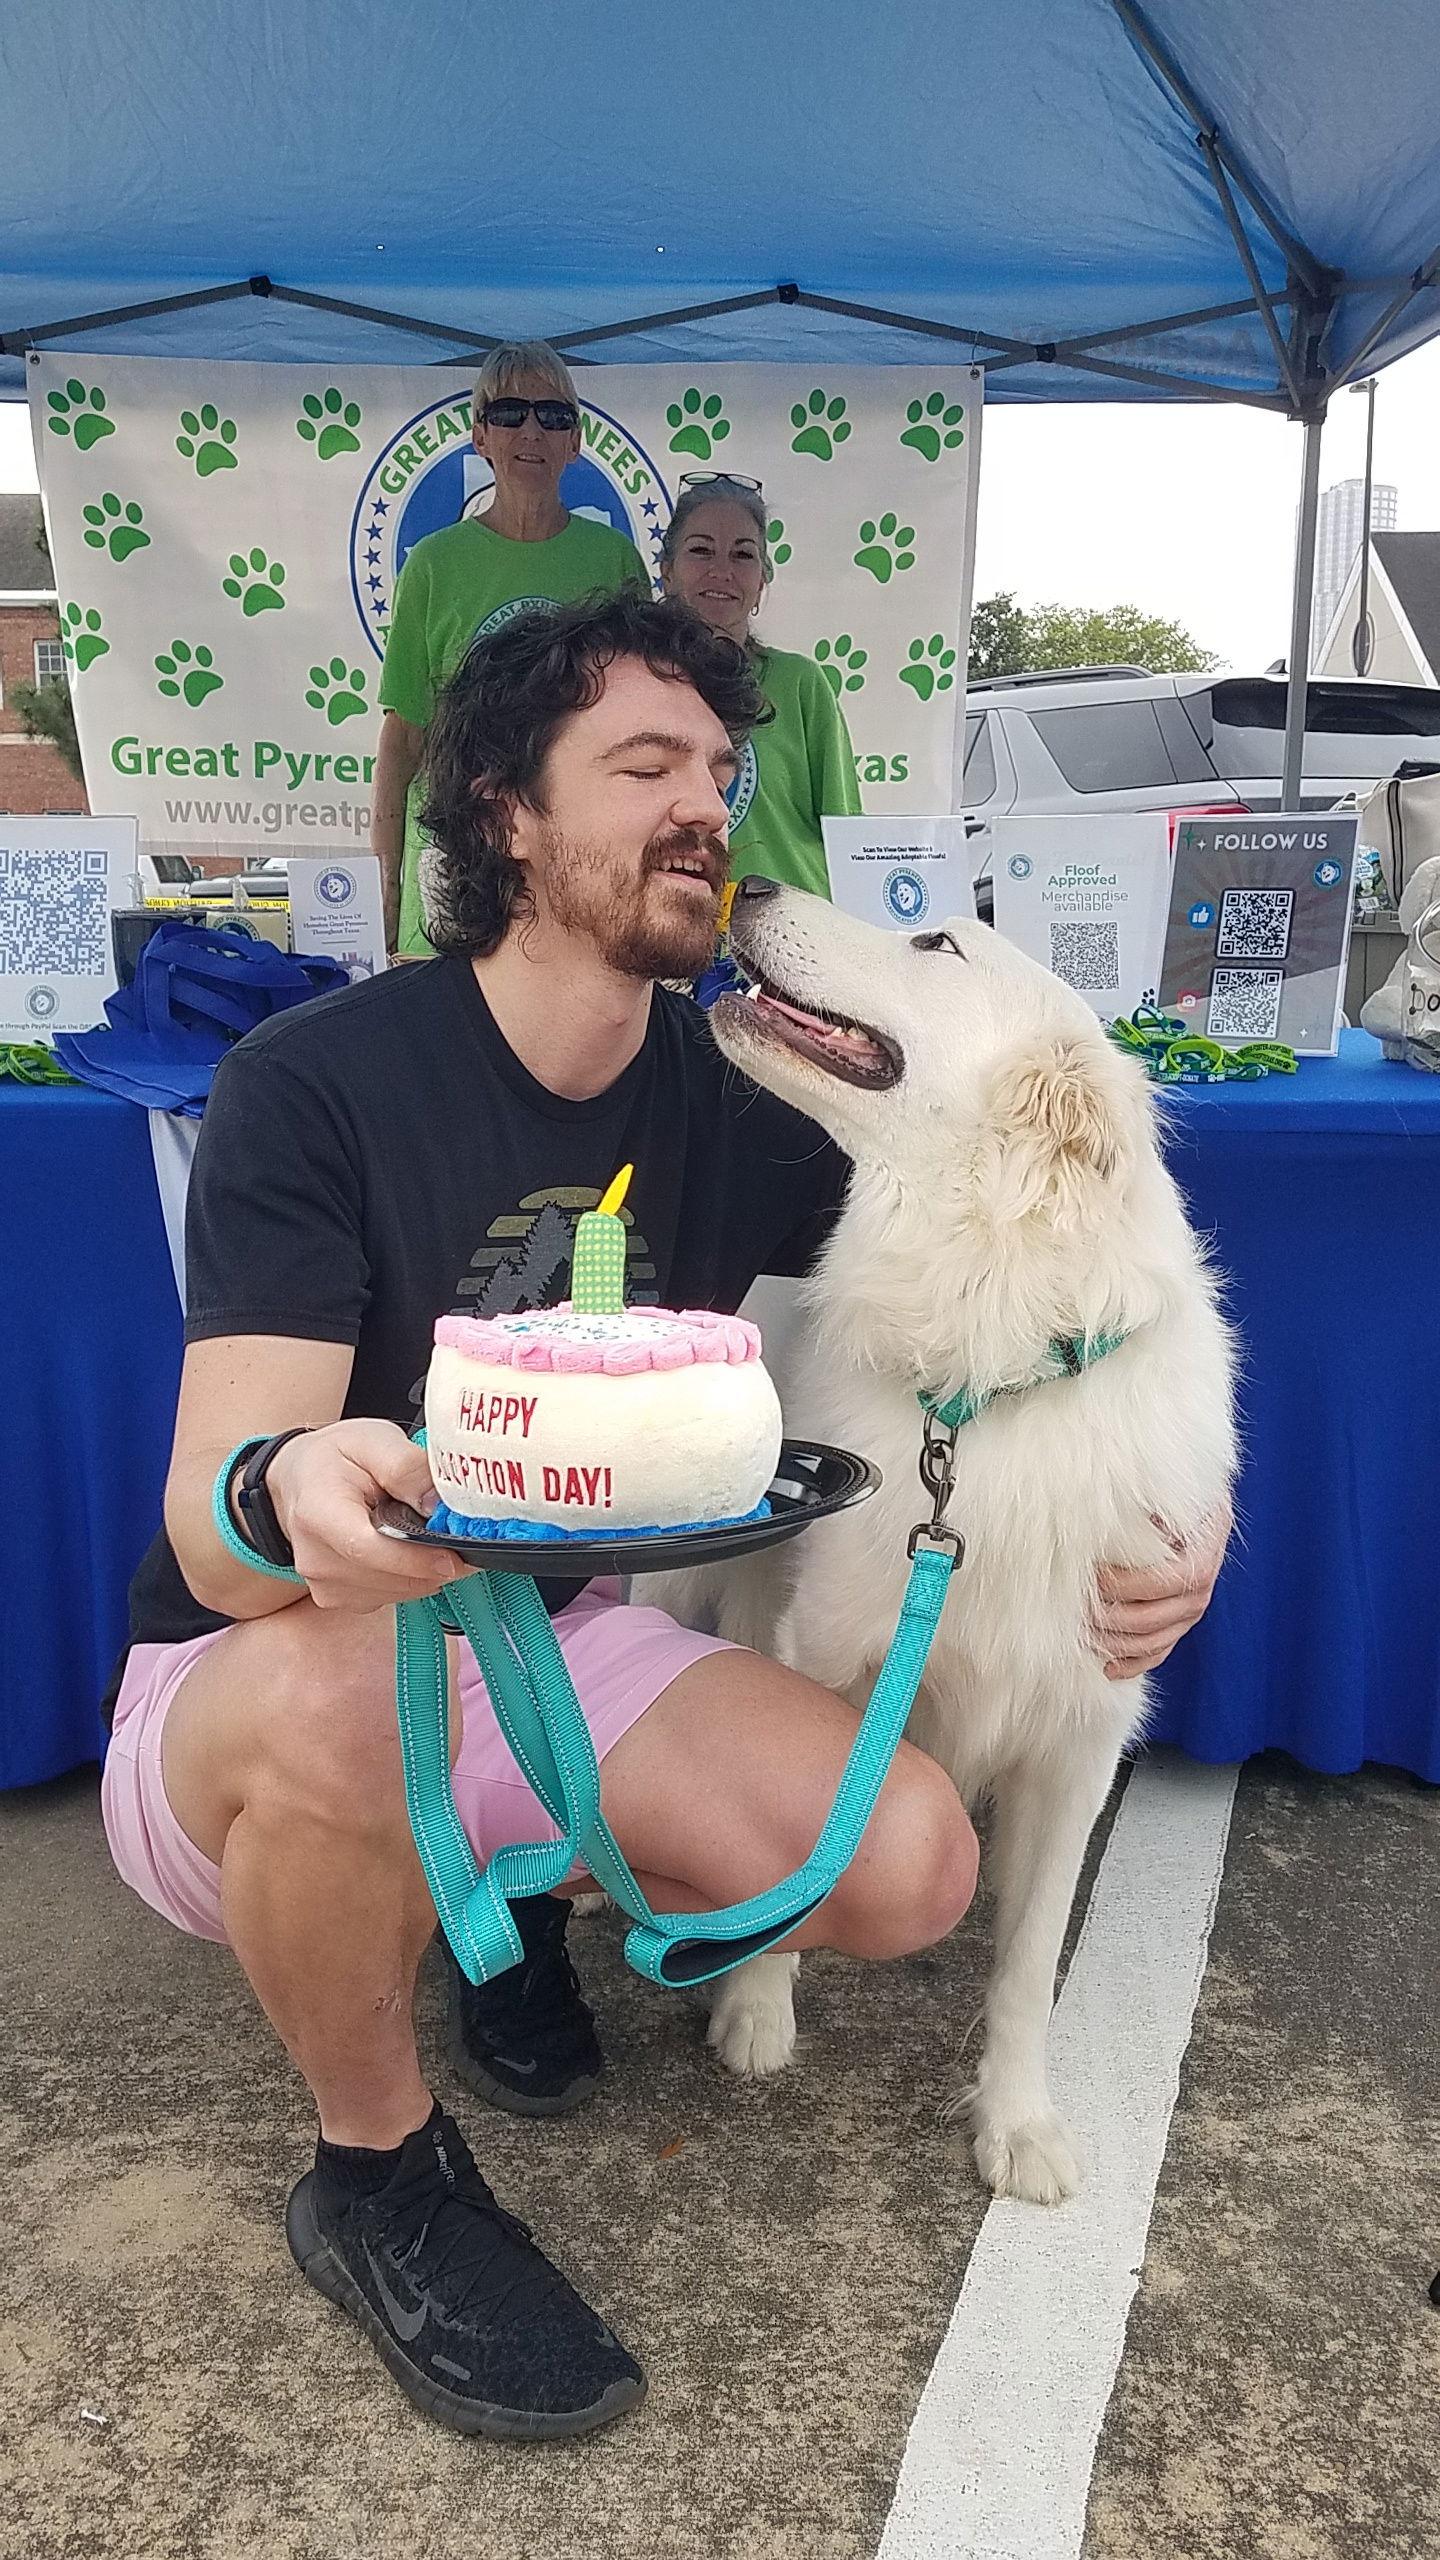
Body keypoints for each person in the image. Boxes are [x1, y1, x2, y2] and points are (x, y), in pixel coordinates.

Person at [99, 594, 1224, 2446]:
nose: (705, 804)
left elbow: (1056, 1271)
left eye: (719, 766)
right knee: (342, 1679)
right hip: (256, 1685)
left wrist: (1181, 1511)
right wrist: (293, 1481)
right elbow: (224, 1536)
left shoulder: (735, 1096)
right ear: (502, 811)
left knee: (905, 1864)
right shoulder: (318, 1081)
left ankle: (506, 1894)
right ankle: (378, 2172)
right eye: (643, 766)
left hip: (554, 1648)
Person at [373, 340, 648, 960]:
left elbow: (637, 733)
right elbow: (403, 740)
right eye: (510, 413)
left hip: (576, 858)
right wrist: (381, 886)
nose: (532, 429)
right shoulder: (433, 565)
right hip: (456, 858)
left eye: (554, 415)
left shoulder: (614, 562)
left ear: (575, 442)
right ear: (480, 435)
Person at [660, 472, 862, 896]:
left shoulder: (800, 683)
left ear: (762, 581)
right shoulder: (638, 685)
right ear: (667, 573)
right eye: (701, 551)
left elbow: (848, 836)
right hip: (676, 939)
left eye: (743, 555)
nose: (722, 571)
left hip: (794, 938)